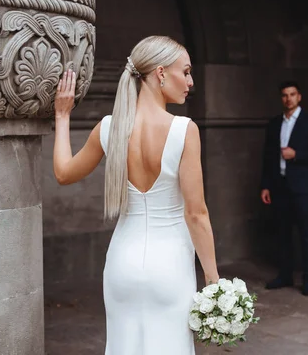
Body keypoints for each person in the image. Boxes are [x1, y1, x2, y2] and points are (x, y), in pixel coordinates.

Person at [52, 35, 219, 354]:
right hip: (169, 266)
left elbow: (62, 173)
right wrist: (213, 278)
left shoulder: (107, 128)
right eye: (185, 72)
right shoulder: (184, 130)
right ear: (160, 73)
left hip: (121, 264)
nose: (190, 81)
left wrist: (62, 116)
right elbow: (196, 214)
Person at [260, 81, 308, 296]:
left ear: (299, 97)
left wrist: (296, 154)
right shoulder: (274, 124)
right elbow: (267, 157)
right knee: (283, 234)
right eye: (284, 95)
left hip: (303, 187)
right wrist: (265, 186)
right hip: (279, 186)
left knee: (307, 234)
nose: (288, 98)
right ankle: (285, 275)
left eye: (292, 94)